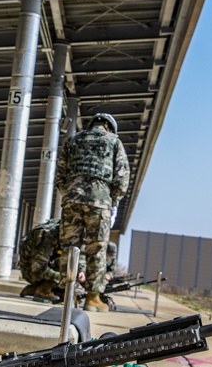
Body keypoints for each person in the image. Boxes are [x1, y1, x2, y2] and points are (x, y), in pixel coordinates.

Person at [54, 113, 129, 312]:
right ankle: (92, 298)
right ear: (110, 128)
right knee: (96, 250)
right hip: (100, 202)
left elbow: (60, 174)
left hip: (72, 200)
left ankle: (69, 297)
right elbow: (122, 178)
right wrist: (112, 200)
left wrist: (69, 194)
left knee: (69, 248)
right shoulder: (114, 142)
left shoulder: (73, 140)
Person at [17, 219, 62, 302]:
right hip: (31, 271)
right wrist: (62, 277)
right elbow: (37, 267)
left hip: (41, 268)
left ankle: (33, 289)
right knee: (65, 268)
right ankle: (43, 291)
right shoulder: (49, 234)